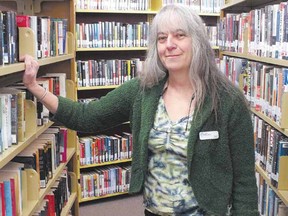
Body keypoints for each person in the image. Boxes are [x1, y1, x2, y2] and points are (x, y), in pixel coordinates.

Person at [21, 4, 259, 216]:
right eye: (162, 38)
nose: (170, 45)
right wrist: (35, 87)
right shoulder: (142, 91)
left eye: (179, 35)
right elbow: (87, 117)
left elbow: (244, 178)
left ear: (197, 40)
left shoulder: (227, 99)